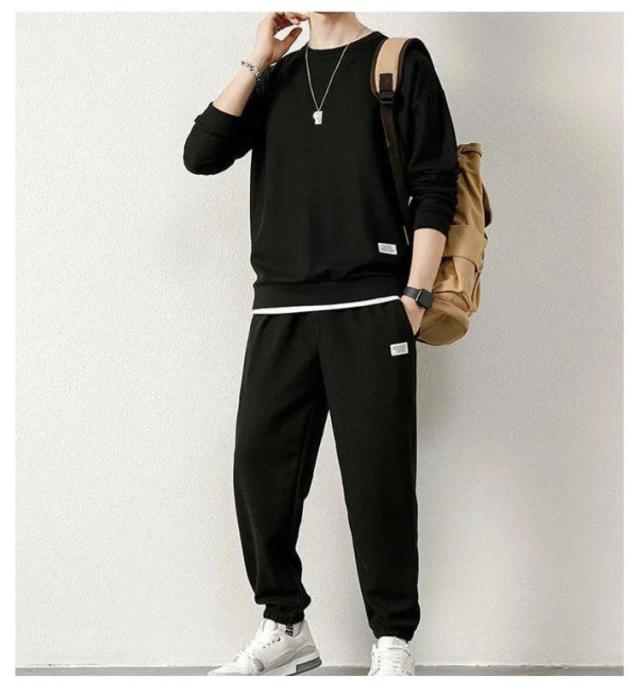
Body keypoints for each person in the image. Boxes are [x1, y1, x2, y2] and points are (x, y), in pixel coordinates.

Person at [183, 10, 459, 676]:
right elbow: (201, 155)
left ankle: (392, 639)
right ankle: (284, 623)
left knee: (378, 479)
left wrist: (414, 299)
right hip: (281, 308)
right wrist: (257, 58)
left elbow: (435, 184)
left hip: (372, 307)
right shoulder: (275, 78)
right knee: (259, 469)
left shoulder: (400, 60)